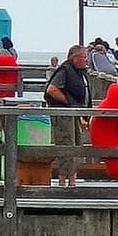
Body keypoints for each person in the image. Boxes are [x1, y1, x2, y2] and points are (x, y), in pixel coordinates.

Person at [44, 44, 91, 188]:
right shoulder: (65, 70)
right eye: (84, 57)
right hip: (64, 115)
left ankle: (72, 180)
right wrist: (67, 102)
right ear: (74, 58)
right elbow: (51, 89)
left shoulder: (79, 72)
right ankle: (62, 183)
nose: (86, 60)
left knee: (77, 146)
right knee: (66, 145)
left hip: (75, 114)